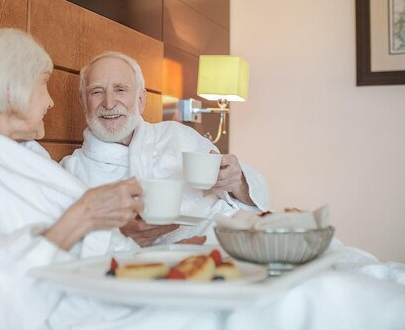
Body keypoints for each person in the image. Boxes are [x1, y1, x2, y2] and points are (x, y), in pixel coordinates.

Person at [0, 28, 225, 330]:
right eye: (43, 84)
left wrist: (168, 257)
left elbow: (96, 247)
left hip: (115, 289)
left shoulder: (28, 156)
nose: (50, 101)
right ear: (13, 89)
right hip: (81, 314)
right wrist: (82, 216)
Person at [60, 52, 270, 246]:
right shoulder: (71, 172)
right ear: (83, 102)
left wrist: (238, 182)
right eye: (97, 92)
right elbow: (66, 248)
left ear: (141, 100)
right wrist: (122, 238)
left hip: (225, 245)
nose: (109, 102)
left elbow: (249, 203)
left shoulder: (177, 135)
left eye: (120, 89)